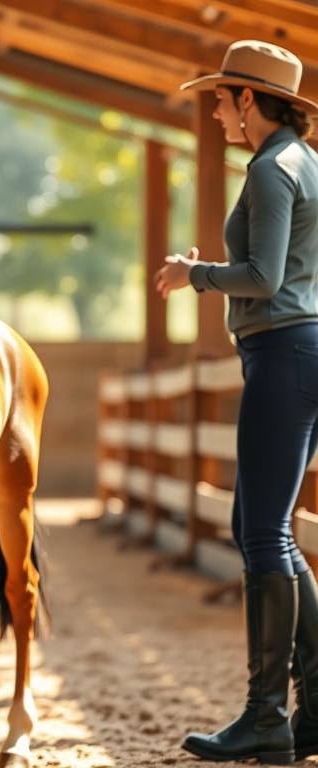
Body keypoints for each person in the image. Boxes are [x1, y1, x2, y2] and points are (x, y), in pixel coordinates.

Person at [155, 39, 318, 765]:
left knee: (261, 534)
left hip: (284, 353)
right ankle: (307, 708)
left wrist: (195, 275)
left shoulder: (272, 168)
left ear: (249, 100)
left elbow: (262, 274)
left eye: (222, 98)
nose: (217, 110)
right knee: (264, 523)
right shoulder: (301, 163)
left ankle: (266, 716)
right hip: (292, 350)